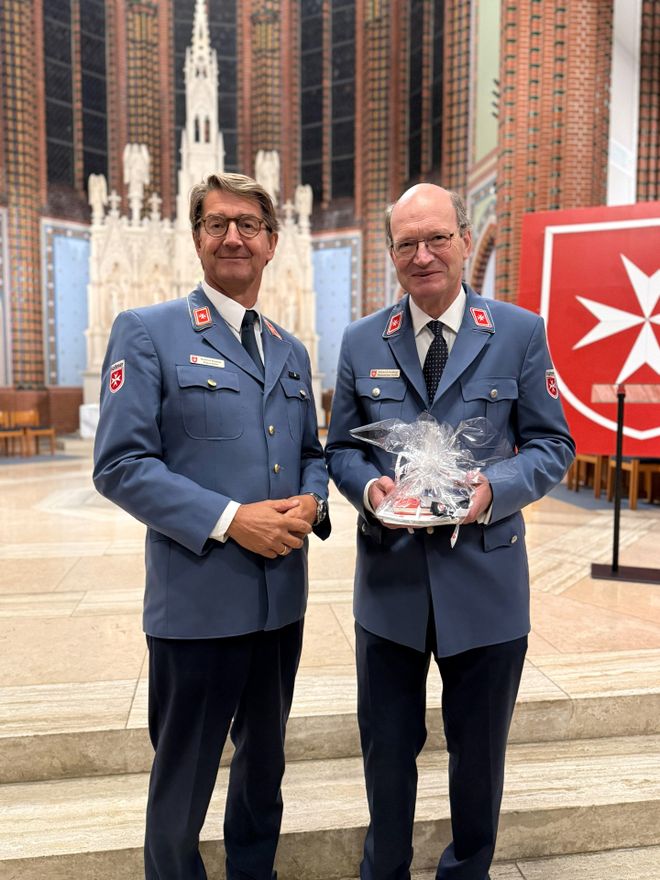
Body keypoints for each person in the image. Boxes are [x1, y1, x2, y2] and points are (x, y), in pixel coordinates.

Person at [325, 183, 574, 880]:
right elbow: (340, 448)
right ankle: (387, 871)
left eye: (437, 238)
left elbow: (554, 445)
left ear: (465, 239)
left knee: (479, 754)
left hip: (486, 585)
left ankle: (467, 870)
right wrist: (369, 488)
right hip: (391, 587)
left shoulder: (520, 332)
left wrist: (496, 488)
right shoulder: (361, 340)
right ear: (392, 253)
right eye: (407, 243)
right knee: (387, 752)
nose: (423, 255)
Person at [93, 171, 330, 880]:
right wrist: (230, 520)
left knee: (263, 776)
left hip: (279, 606)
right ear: (196, 238)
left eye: (248, 225)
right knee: (182, 788)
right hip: (195, 607)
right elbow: (121, 465)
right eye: (216, 223)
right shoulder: (148, 332)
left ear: (271, 243)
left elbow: (313, 455)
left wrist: (313, 500)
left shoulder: (291, 351)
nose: (233, 236)